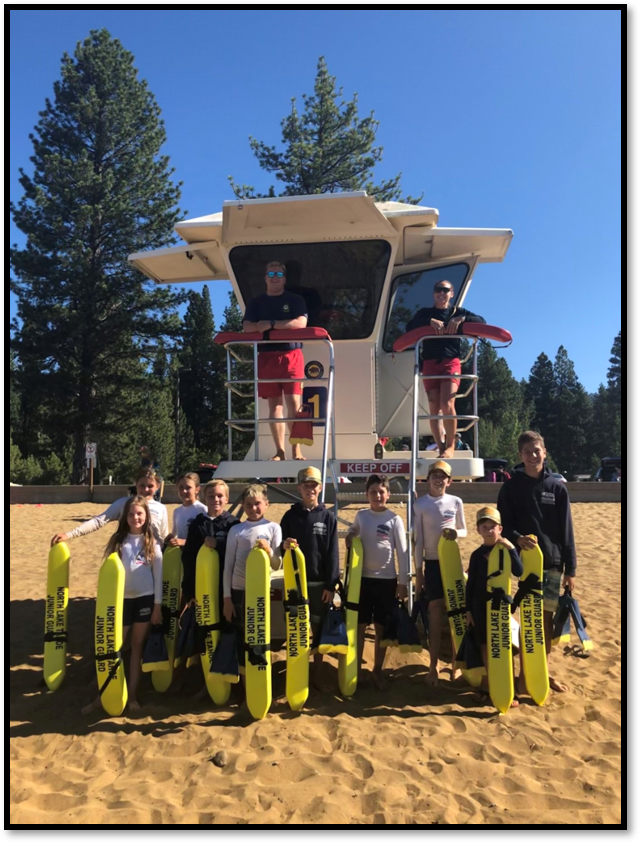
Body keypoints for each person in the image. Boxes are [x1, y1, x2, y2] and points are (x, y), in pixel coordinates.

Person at [497, 431, 577, 694]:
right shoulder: (511, 487)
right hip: (525, 566)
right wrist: (518, 539)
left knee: (547, 620)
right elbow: (504, 526)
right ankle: (522, 677)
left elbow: (567, 531)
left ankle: (542, 672)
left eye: (537, 451)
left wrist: (570, 569)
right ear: (520, 455)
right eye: (527, 452)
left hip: (553, 564)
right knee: (529, 620)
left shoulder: (557, 488)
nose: (533, 456)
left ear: (545, 452)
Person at [81, 495, 163, 714]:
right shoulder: (119, 541)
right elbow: (109, 575)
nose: (135, 517)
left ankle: (132, 696)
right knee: (114, 648)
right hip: (121, 602)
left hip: (145, 600)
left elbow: (159, 577)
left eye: (139, 514)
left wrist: (157, 607)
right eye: (131, 514)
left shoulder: (152, 542)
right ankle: (103, 696)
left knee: (137, 648)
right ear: (125, 517)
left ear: (146, 517)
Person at [406, 279, 486, 458]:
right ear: (433, 293)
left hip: (450, 361)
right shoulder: (425, 313)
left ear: (452, 293)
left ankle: (451, 446)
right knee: (434, 405)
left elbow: (481, 321)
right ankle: (440, 446)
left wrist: (461, 319)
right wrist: (429, 322)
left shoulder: (458, 312)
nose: (441, 293)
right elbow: (409, 327)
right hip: (430, 362)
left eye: (445, 290)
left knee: (447, 402)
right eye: (438, 290)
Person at [346, 474, 409, 690]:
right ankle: (356, 670)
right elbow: (354, 530)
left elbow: (403, 552)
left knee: (381, 630)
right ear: (367, 495)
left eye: (381, 492)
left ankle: (377, 671)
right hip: (362, 581)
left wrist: (403, 582)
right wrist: (350, 534)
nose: (377, 496)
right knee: (360, 626)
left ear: (388, 495)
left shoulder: (394, 519)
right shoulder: (362, 516)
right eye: (373, 492)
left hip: (387, 581)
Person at [280, 467, 340, 691]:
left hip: (318, 584)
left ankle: (317, 671)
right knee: (296, 628)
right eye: (306, 485)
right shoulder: (290, 516)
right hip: (295, 583)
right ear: (299, 488)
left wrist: (331, 584)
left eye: (314, 485)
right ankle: (298, 669)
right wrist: (283, 546)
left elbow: (333, 552)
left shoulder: (327, 517)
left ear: (320, 488)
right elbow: (280, 546)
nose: (310, 489)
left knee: (318, 626)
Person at [243, 261, 309, 461]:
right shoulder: (255, 303)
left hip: (291, 355)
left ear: (285, 279)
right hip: (266, 357)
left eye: (279, 274)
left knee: (294, 403)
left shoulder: (295, 300)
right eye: (271, 273)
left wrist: (270, 324)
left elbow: (301, 323)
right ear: (265, 278)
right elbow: (247, 326)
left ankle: (296, 450)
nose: (274, 277)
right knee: (275, 407)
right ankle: (279, 451)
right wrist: (259, 326)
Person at [413, 460, 467, 686]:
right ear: (428, 479)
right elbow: (418, 541)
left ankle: (456, 665)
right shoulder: (421, 504)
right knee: (435, 614)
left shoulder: (456, 501)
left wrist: (455, 532)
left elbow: (463, 530)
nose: (438, 479)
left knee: (456, 614)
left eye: (443, 476)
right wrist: (419, 572)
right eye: (434, 475)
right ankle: (433, 666)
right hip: (432, 564)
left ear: (449, 481)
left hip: (452, 562)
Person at [223, 485, 283, 683]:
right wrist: (227, 599)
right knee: (241, 637)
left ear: (266, 504)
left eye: (257, 504)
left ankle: (259, 680)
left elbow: (276, 564)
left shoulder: (273, 528)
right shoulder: (237, 530)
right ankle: (243, 685)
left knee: (258, 636)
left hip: (261, 592)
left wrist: (269, 551)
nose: (253, 508)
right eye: (248, 505)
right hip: (239, 591)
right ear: (243, 506)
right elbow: (228, 566)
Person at [466, 506, 523, 707]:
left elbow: (519, 571)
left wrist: (512, 549)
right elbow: (471, 583)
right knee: (484, 644)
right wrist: (468, 610)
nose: (489, 531)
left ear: (500, 528)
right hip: (479, 604)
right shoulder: (476, 554)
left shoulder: (505, 550)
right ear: (478, 529)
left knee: (503, 645)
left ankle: (508, 688)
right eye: (485, 527)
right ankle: (489, 685)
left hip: (500, 604)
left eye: (493, 527)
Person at [51, 468, 169, 547]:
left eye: (150, 486)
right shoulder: (124, 503)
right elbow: (99, 521)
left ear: (158, 486)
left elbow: (163, 537)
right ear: (136, 484)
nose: (145, 490)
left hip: (152, 557)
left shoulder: (161, 509)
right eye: (142, 485)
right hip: (126, 555)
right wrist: (69, 535)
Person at [181, 480, 241, 605]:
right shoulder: (197, 524)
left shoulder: (233, 524)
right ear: (204, 499)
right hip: (202, 585)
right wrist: (188, 591)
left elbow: (237, 556)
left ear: (227, 499)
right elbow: (188, 559)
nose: (216, 499)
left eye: (220, 496)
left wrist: (219, 544)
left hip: (226, 587)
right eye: (211, 496)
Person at [165, 472, 207, 548]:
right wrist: (169, 538)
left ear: (197, 489)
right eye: (181, 487)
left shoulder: (202, 509)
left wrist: (185, 542)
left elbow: (205, 537)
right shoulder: (177, 511)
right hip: (180, 554)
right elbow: (175, 534)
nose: (184, 491)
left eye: (188, 488)